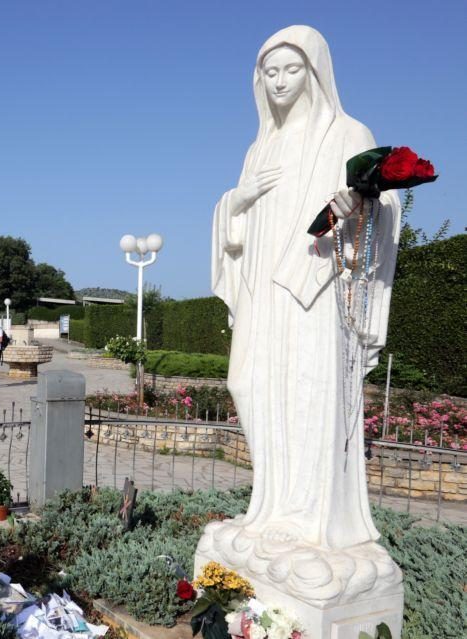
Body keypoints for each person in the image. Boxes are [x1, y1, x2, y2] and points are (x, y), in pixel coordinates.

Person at [204, 26, 401, 556]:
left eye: (292, 70)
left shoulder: (347, 133)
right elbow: (237, 223)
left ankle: (310, 520)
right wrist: (235, 201)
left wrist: (357, 207)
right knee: (246, 382)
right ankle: (270, 505)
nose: (280, 82)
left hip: (315, 289)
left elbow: (381, 208)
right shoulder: (258, 146)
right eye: (270, 72)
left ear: (315, 72)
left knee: (308, 393)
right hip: (261, 291)